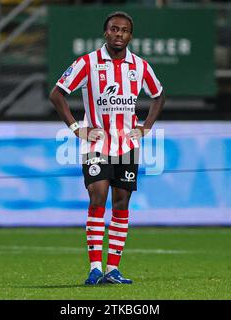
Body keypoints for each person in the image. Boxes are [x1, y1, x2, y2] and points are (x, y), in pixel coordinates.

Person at [49, 11, 165, 285]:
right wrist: (77, 128)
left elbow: (158, 95)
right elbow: (57, 94)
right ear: (106, 32)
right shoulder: (87, 63)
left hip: (127, 144)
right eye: (114, 29)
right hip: (96, 142)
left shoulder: (140, 66)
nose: (119, 34)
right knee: (98, 195)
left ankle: (113, 269)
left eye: (124, 30)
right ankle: (94, 268)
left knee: (122, 201)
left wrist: (146, 126)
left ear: (130, 35)